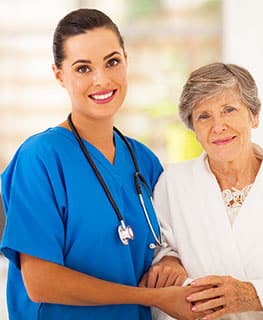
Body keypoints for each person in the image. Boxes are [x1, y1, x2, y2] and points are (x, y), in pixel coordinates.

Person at [0, 8, 205, 320]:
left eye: (112, 62)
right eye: (83, 69)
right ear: (59, 75)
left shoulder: (143, 161)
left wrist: (170, 261)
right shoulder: (40, 158)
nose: (102, 79)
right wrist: (153, 297)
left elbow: (169, 240)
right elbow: (41, 283)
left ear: (125, 60)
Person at [143, 63, 263, 320]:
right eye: (204, 116)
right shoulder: (172, 184)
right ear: (193, 128)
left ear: (254, 115)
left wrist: (253, 295)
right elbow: (158, 257)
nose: (218, 126)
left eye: (229, 110)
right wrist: (168, 262)